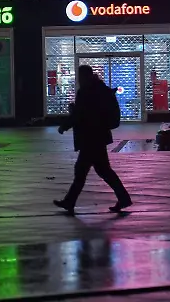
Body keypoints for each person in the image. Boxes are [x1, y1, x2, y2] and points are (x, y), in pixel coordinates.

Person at [54, 65, 132, 214]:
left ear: (84, 76)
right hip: (99, 136)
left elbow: (81, 115)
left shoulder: (85, 92)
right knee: (103, 171)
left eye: (79, 76)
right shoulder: (100, 89)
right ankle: (123, 198)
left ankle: (69, 202)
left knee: (82, 171)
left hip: (90, 138)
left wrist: (64, 125)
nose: (78, 79)